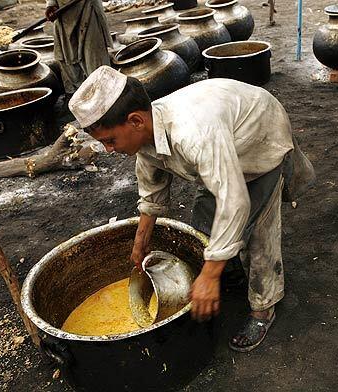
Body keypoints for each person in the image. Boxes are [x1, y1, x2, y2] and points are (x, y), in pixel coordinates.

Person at [68, 66, 315, 352]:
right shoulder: (147, 131)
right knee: (204, 222)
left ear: (135, 120)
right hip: (223, 145)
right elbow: (153, 183)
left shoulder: (192, 133)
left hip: (259, 137)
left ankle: (263, 310)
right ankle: (230, 270)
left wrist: (209, 275)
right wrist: (141, 238)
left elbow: (234, 201)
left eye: (110, 141)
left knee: (258, 234)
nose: (109, 150)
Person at [45, 0, 112, 96]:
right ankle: (77, 100)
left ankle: (105, 97)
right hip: (63, 13)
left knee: (95, 63)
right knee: (69, 68)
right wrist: (51, 4)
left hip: (88, 9)